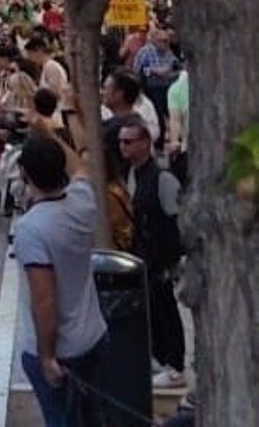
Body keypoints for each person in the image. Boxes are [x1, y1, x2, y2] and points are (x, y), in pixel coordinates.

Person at [13, 132, 108, 427]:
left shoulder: (31, 228)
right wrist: (48, 131)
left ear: (25, 174)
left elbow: (44, 300)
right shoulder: (83, 201)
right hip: (93, 336)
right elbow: (80, 167)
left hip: (60, 351)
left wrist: (47, 357)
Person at [117, 118, 187, 388]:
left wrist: (173, 259)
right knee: (152, 309)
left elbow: (177, 218)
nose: (123, 146)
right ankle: (160, 356)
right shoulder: (131, 173)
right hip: (142, 257)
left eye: (129, 141)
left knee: (166, 308)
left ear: (145, 143)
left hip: (161, 259)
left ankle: (175, 364)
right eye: (121, 142)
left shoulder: (162, 178)